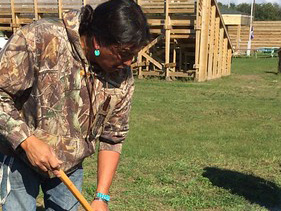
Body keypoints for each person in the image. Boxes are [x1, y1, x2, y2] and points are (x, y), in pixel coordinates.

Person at [0, 0, 150, 210]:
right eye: (124, 54)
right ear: (98, 42)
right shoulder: (39, 39)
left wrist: (101, 197)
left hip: (70, 168)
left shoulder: (121, 75)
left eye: (133, 55)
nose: (128, 63)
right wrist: (27, 141)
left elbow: (113, 136)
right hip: (19, 158)